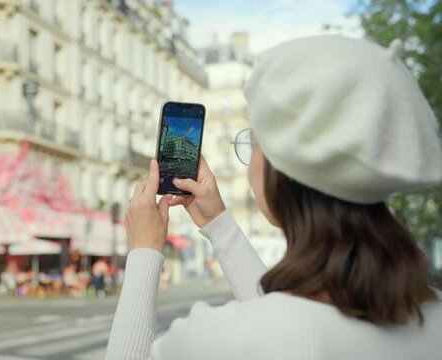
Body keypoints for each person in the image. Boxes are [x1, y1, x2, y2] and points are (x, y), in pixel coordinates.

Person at [106, 35, 442, 359]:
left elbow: (279, 324)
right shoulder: (434, 316)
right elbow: (285, 312)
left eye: (252, 143)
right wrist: (218, 223)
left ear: (279, 170)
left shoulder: (221, 337)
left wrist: (144, 252)